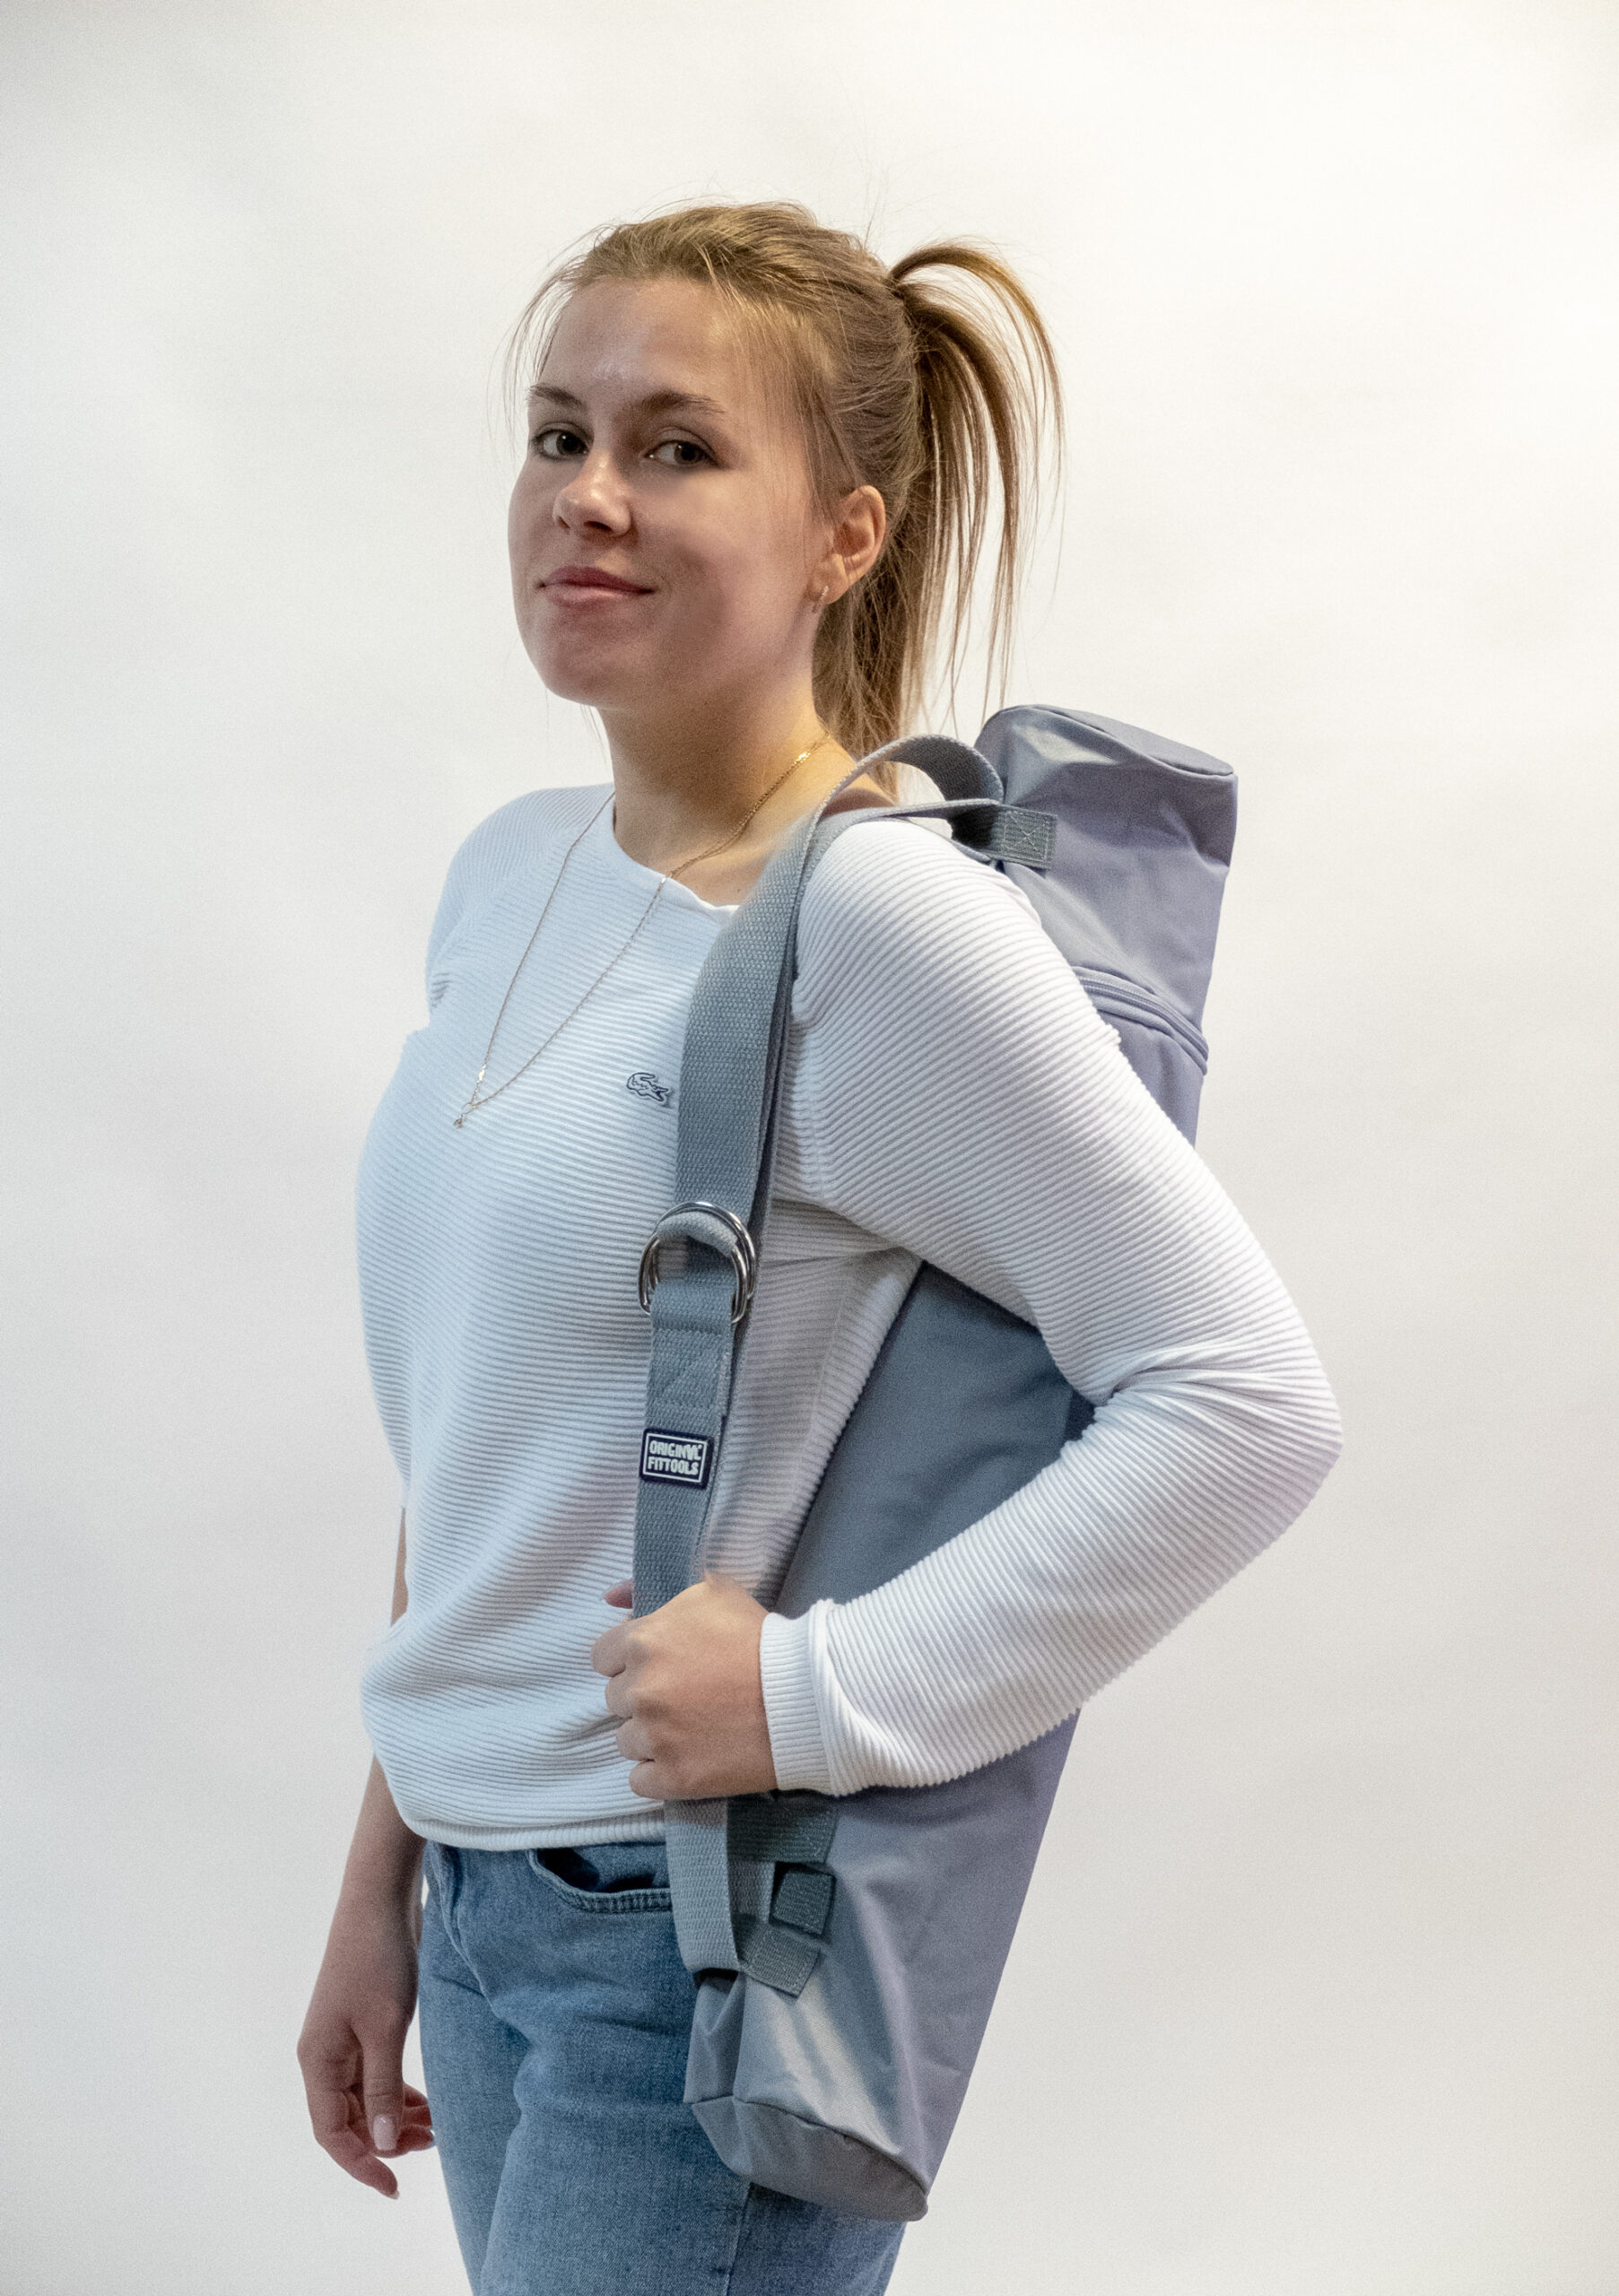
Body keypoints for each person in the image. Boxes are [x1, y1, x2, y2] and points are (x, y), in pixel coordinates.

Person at [297, 201, 1340, 2296]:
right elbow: (491, 1441)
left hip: (686, 1955)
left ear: (843, 537)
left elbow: (1246, 1403)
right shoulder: (506, 877)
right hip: (483, 1917)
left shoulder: (877, 922)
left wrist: (816, 1691)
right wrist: (380, 1880)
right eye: (560, 431)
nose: (589, 494)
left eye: (677, 447)